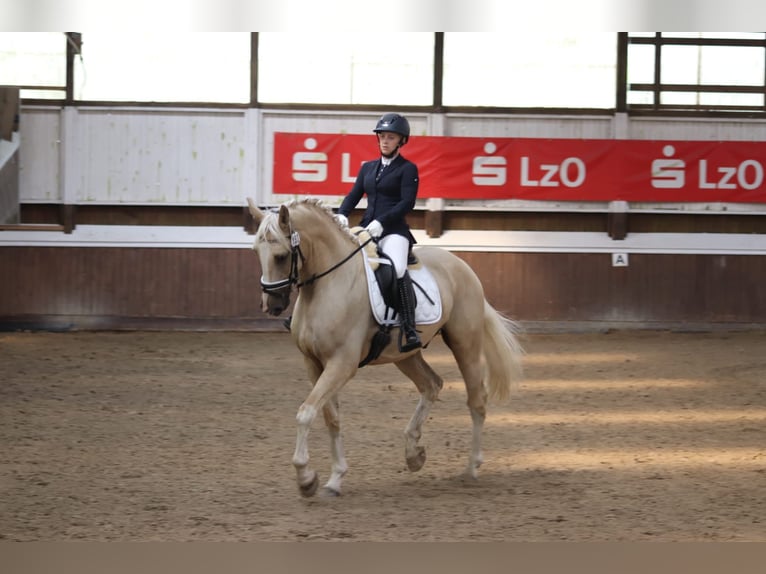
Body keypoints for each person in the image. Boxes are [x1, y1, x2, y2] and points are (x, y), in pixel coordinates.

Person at [336, 113, 421, 352]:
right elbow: (354, 194)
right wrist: (342, 213)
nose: (384, 141)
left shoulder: (407, 169)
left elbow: (407, 203)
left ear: (401, 141)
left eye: (390, 137)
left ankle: (408, 326)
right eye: (382, 136)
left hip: (393, 231)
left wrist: (382, 222)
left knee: (397, 267)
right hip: (366, 228)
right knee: (340, 261)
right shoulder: (368, 168)